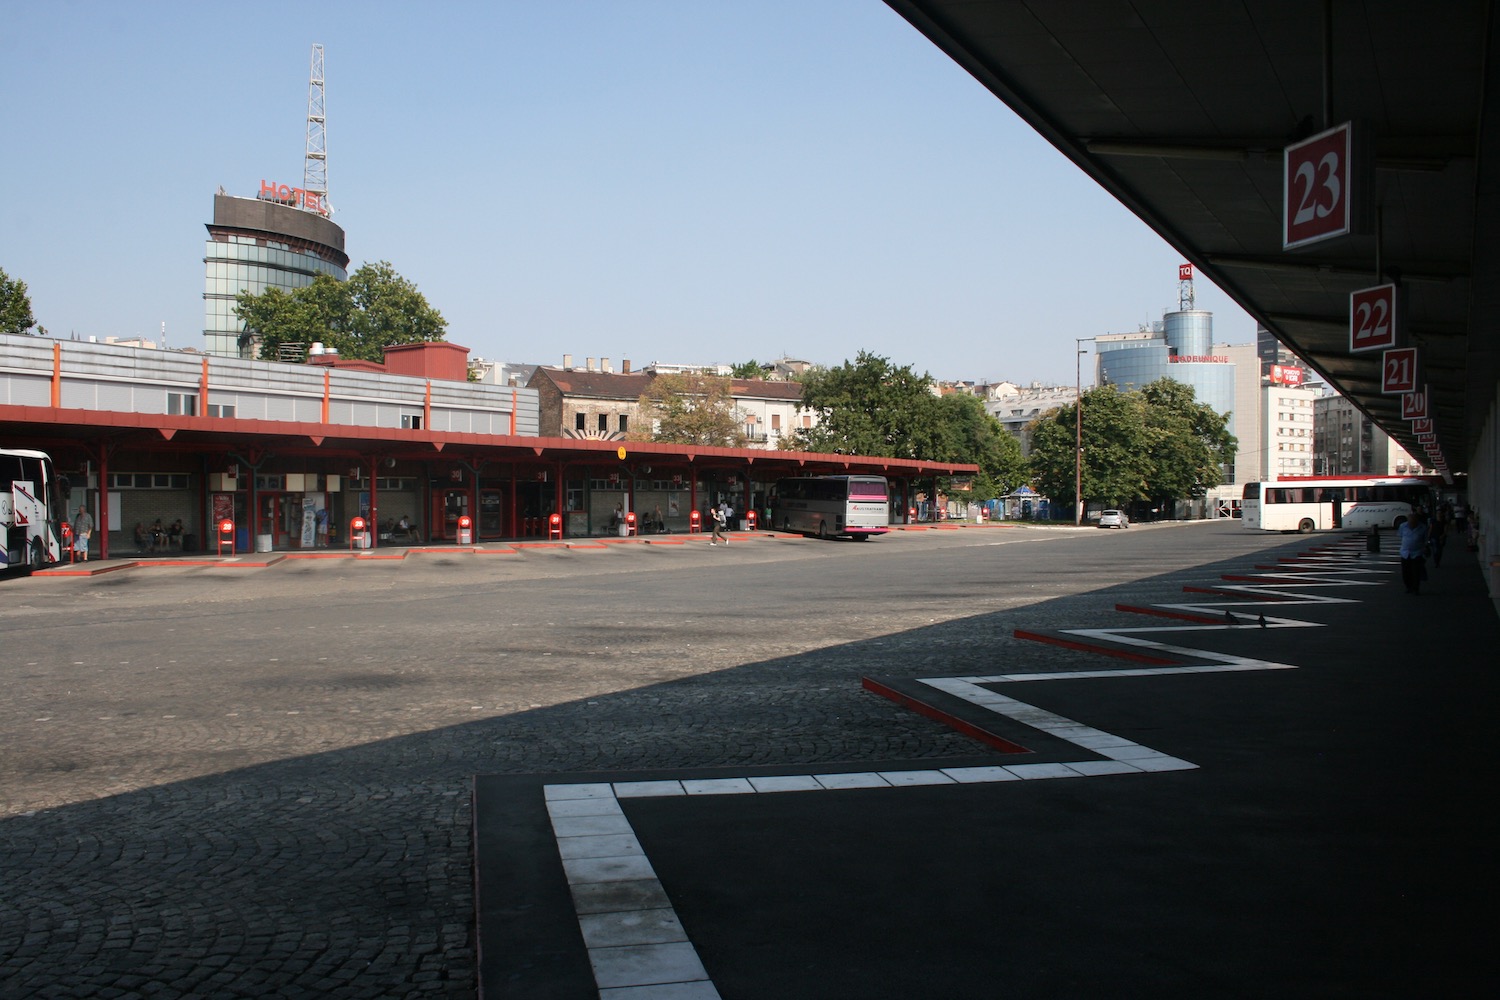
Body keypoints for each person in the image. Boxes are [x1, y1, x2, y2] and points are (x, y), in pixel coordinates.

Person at [1397, 509, 1431, 595]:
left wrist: (1425, 547)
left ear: (1417, 521)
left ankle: (1416, 588)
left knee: (1416, 572)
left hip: (1417, 553)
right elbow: (1400, 536)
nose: (1411, 524)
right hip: (1405, 553)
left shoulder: (1423, 528)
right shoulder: (1403, 526)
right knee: (1405, 572)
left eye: (1413, 523)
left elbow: (1425, 539)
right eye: (1410, 523)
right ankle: (1408, 587)